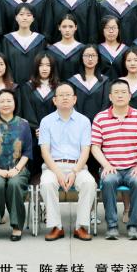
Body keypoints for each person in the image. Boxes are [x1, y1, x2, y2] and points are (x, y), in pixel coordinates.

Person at [91, 79, 137, 241]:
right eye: (116, 93)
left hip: (133, 167)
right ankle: (112, 226)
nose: (120, 96)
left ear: (130, 96)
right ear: (110, 97)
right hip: (111, 167)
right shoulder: (100, 118)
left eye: (123, 92)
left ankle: (133, 225)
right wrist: (106, 165)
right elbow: (95, 147)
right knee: (108, 181)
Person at [39, 82, 96, 241]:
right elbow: (45, 151)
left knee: (89, 183)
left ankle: (81, 226)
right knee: (47, 183)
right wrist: (58, 172)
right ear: (54, 100)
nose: (65, 98)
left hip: (78, 166)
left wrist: (74, 172)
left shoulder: (84, 121)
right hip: (53, 167)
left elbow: (85, 150)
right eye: (61, 95)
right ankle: (56, 227)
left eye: (68, 95)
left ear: (75, 99)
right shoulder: (46, 121)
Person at [0, 88, 33, 241]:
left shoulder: (23, 124)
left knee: (15, 184)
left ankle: (16, 227)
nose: (5, 104)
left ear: (15, 103)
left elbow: (27, 152)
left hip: (19, 168)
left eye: (9, 100)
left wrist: (17, 169)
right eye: (2, 101)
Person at [0, 3, 48, 84]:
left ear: (33, 18)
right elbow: (4, 63)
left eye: (28, 15)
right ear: (16, 17)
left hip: (35, 85)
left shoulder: (40, 40)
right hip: (12, 85)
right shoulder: (7, 40)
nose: (25, 18)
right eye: (21, 14)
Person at [67, 45, 108, 123]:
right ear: (81, 58)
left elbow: (105, 104)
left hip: (100, 123)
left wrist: (99, 121)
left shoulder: (105, 81)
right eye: (86, 55)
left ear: (98, 58)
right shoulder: (74, 81)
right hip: (77, 123)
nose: (90, 59)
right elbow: (71, 104)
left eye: (93, 55)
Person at [47, 14, 86, 81]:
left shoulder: (83, 49)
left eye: (71, 26)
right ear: (59, 27)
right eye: (64, 26)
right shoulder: (51, 50)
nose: (67, 30)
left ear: (76, 27)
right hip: (56, 86)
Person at [97, 15, 129, 79]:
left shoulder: (126, 50)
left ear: (118, 29)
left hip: (122, 84)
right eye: (107, 28)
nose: (111, 31)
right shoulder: (97, 50)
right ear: (102, 30)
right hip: (102, 84)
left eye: (114, 28)